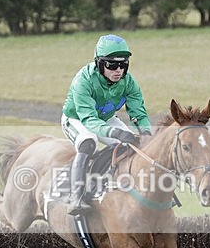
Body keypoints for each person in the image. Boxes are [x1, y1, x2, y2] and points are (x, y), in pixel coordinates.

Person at [61, 34, 152, 216]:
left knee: (133, 145)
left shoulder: (129, 82)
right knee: (89, 142)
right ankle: (76, 196)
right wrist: (115, 133)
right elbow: (89, 120)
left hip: (105, 118)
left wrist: (147, 133)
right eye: (112, 65)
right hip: (77, 119)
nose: (118, 70)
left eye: (123, 64)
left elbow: (139, 114)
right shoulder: (83, 81)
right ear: (99, 63)